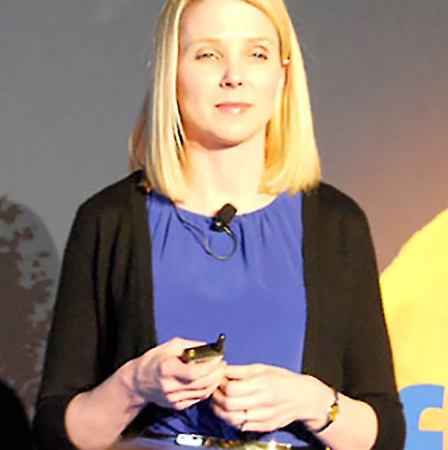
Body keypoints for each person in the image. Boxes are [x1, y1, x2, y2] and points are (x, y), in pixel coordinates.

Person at [33, 0, 405, 449]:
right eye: (208, 54)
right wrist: (135, 384)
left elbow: (385, 433)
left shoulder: (336, 223)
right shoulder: (110, 220)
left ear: (283, 75)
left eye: (257, 54)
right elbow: (56, 432)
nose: (234, 75)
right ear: (172, 72)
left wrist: (310, 401)